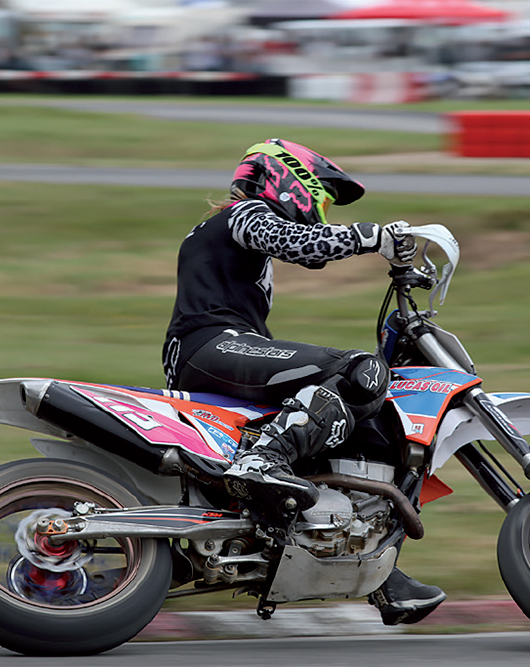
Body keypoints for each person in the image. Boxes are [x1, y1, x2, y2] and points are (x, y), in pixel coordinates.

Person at [163, 138, 445, 625]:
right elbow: (300, 244)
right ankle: (261, 460)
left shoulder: (234, 226)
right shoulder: (241, 215)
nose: (321, 210)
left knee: (363, 422)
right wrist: (371, 235)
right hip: (211, 346)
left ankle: (378, 573)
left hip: (219, 350)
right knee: (362, 372)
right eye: (322, 197)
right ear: (287, 177)